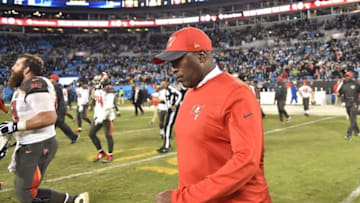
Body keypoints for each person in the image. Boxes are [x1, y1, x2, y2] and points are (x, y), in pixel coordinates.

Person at [153, 27, 271, 202]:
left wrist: (184, 198)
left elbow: (246, 161)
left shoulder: (237, 93)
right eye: (171, 64)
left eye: (177, 61)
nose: (173, 69)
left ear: (201, 56)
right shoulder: (191, 92)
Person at [0, 53, 89, 203]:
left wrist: (15, 126)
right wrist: (8, 132)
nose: (12, 68)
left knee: (25, 194)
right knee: (25, 190)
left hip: (38, 144)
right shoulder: (25, 86)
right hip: (31, 143)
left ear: (27, 69)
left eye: (17, 65)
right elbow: (26, 116)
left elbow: (48, 117)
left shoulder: (35, 83)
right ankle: (74, 201)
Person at [89, 73, 115, 163]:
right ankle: (101, 152)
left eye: (97, 81)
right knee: (91, 133)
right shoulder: (97, 90)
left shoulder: (108, 90)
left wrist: (102, 117)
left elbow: (109, 106)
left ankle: (110, 155)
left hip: (107, 117)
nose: (95, 82)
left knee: (108, 135)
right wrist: (96, 116)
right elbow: (98, 105)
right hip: (99, 115)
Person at [49, 74, 80, 144]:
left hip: (60, 107)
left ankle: (74, 136)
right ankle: (48, 139)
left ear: (54, 80)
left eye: (51, 78)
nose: (50, 80)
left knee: (60, 123)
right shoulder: (56, 86)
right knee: (54, 124)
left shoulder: (56, 87)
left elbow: (57, 99)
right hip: (59, 106)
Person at [157, 80, 182, 153]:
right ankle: (167, 144)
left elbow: (179, 95)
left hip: (173, 110)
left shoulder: (171, 89)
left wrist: (175, 104)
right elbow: (167, 100)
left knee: (167, 126)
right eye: (162, 82)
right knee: (167, 126)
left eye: (164, 82)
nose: (162, 84)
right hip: (169, 109)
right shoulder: (166, 90)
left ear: (168, 83)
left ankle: (166, 146)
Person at [338, 72, 360, 140]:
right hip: (347, 103)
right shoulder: (343, 84)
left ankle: (349, 135)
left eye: (348, 76)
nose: (346, 77)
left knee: (353, 119)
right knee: (351, 119)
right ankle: (357, 132)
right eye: (346, 76)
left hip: (354, 102)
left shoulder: (356, 84)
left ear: (351, 76)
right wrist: (342, 101)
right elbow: (339, 93)